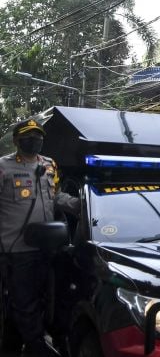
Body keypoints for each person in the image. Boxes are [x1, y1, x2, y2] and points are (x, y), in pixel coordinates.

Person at [0, 119, 80, 357]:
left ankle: (11, 348)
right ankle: (38, 349)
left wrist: (78, 205)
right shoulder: (3, 167)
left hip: (47, 247)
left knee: (38, 303)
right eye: (28, 136)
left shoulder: (49, 164)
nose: (34, 140)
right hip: (16, 250)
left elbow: (55, 196)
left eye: (38, 136)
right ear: (16, 140)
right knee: (25, 305)